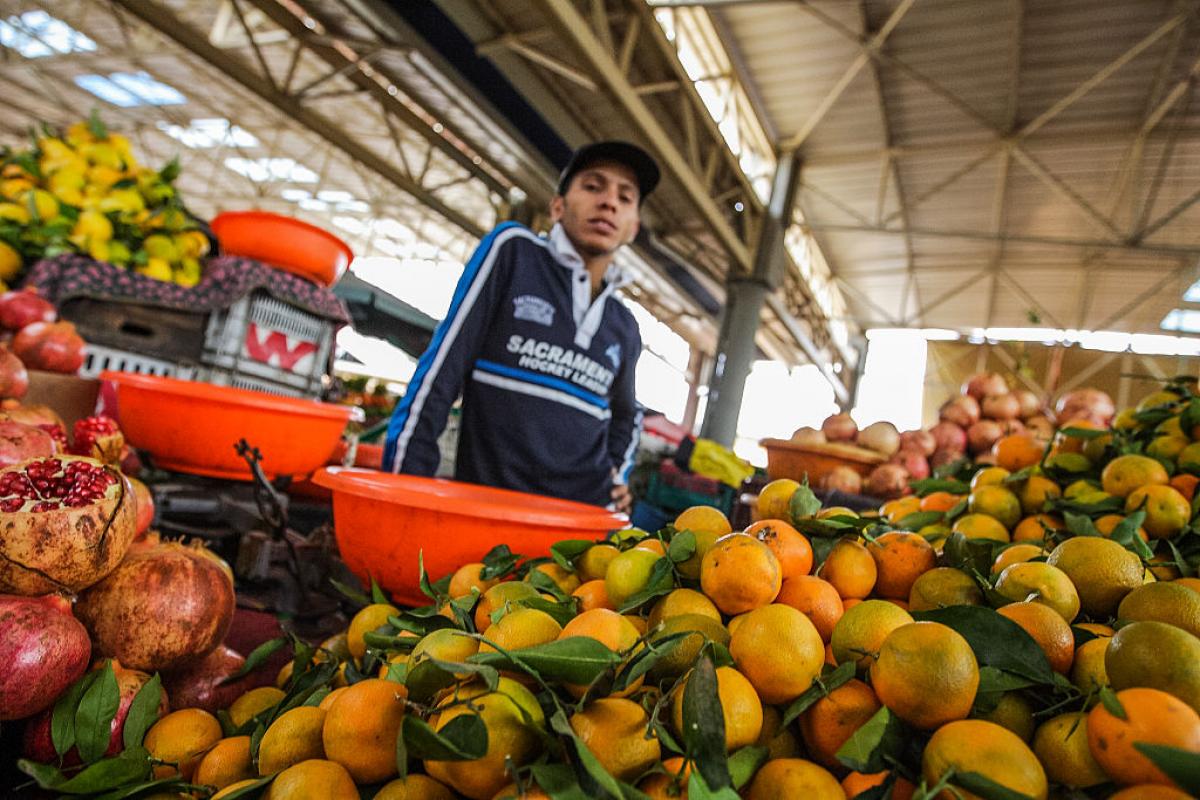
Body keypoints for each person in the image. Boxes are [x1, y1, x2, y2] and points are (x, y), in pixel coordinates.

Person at [382, 141, 660, 512]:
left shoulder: (624, 325)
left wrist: (616, 475)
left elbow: (627, 416)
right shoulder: (514, 252)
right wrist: (404, 489)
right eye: (593, 187)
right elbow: (441, 370)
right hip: (490, 514)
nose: (609, 202)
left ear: (633, 227)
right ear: (558, 207)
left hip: (579, 531)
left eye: (625, 198)